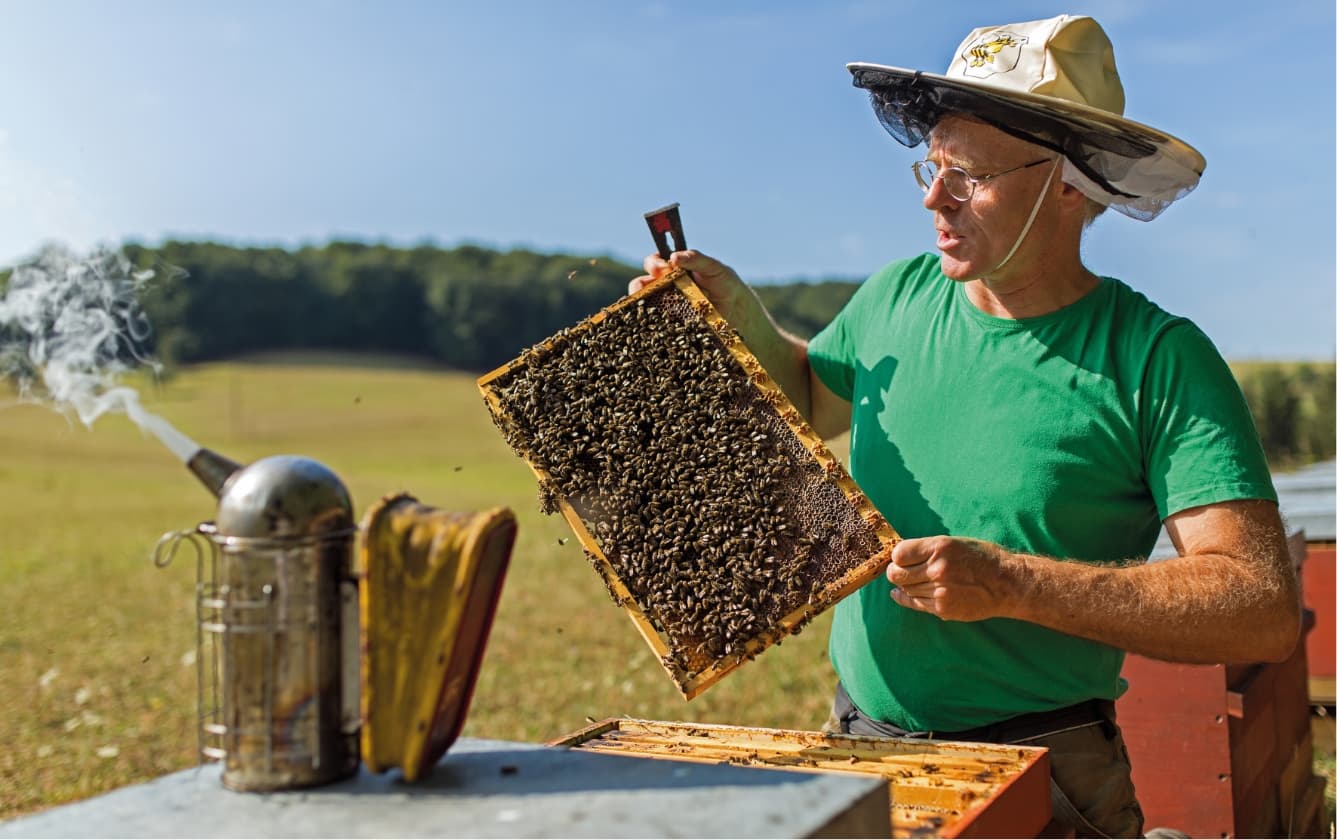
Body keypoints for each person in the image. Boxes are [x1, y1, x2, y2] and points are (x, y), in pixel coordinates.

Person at [629, 14, 1301, 838]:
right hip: (858, 743)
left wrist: (1016, 585)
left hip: (1046, 771)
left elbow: (1258, 605)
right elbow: (811, 402)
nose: (931, 196)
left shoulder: (1156, 358)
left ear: (1065, 182)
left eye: (968, 174)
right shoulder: (900, 294)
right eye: (931, 164)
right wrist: (745, 322)